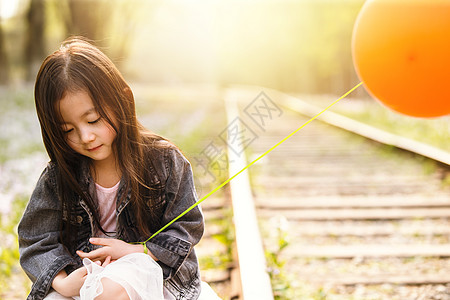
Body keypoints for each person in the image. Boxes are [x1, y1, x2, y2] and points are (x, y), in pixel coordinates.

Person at [18, 37, 220, 300]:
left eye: (93, 120)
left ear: (121, 100)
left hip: (151, 272)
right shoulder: (58, 177)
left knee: (109, 291)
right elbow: (35, 240)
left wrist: (138, 251)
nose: (85, 136)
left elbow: (187, 224)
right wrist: (63, 283)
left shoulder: (165, 161)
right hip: (85, 278)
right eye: (67, 130)